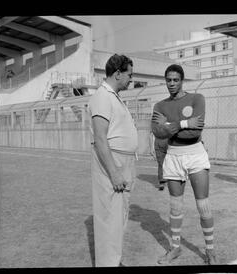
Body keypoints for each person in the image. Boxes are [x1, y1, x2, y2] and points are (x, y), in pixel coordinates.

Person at [151, 64, 217, 265]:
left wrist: (168, 124)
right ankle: (175, 248)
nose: (171, 84)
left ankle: (210, 251)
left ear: (182, 80)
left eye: (175, 80)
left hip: (195, 154)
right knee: (175, 207)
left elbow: (194, 133)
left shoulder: (197, 99)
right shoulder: (159, 106)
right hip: (173, 156)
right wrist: (183, 123)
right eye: (168, 80)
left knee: (203, 206)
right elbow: (158, 133)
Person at [88, 54, 138, 267]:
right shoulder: (102, 96)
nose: (131, 79)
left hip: (124, 161)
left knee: (120, 217)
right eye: (129, 74)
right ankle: (108, 264)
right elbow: (100, 138)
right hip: (113, 162)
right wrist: (115, 172)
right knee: (109, 218)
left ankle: (114, 261)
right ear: (117, 73)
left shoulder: (114, 96)